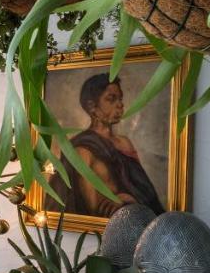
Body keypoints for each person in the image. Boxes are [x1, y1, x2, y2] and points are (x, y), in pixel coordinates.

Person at [48, 73, 164, 217]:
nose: (120, 104)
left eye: (120, 98)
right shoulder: (81, 151)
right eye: (111, 99)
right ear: (92, 106)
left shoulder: (124, 143)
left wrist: (130, 200)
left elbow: (143, 190)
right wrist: (119, 201)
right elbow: (88, 207)